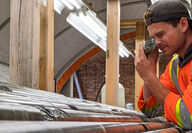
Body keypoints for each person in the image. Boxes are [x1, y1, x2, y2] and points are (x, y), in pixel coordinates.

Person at [134, 0, 192, 130]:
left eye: (160, 34)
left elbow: (188, 118)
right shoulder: (175, 65)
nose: (157, 43)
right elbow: (152, 110)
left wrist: (149, 77)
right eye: (153, 38)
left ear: (183, 24)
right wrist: (151, 69)